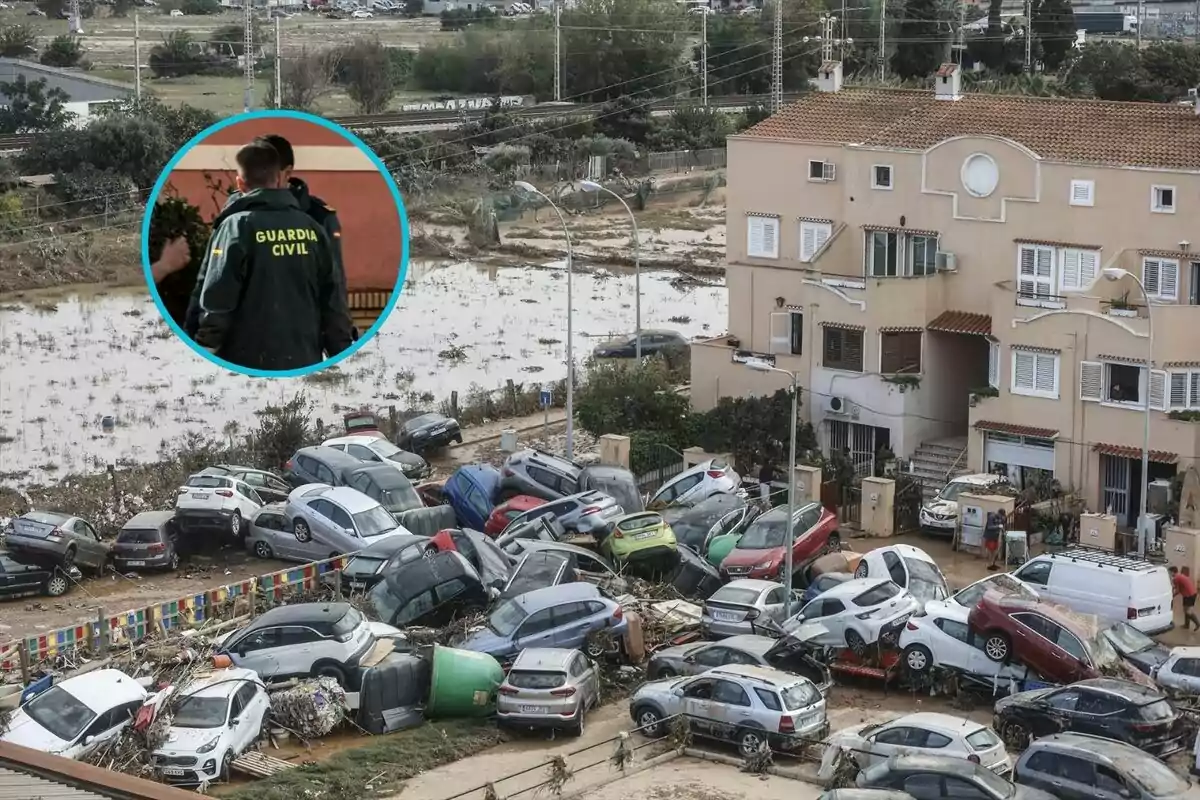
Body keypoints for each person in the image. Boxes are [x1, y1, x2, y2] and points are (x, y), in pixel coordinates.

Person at [191, 140, 354, 370]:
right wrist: (341, 353)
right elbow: (333, 300)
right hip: (304, 357)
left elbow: (218, 301)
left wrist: (203, 350)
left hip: (245, 361)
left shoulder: (236, 226)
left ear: (240, 183)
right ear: (279, 178)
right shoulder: (311, 227)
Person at [1170, 566, 1200, 631]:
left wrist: (1171, 596)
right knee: (1185, 609)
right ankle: (1186, 625)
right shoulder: (1180, 575)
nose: (1170, 574)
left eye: (1170, 572)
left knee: (1188, 611)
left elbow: (1177, 590)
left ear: (1172, 572)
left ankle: (1197, 623)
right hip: (1191, 593)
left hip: (1189, 595)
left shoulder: (1176, 578)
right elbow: (1179, 587)